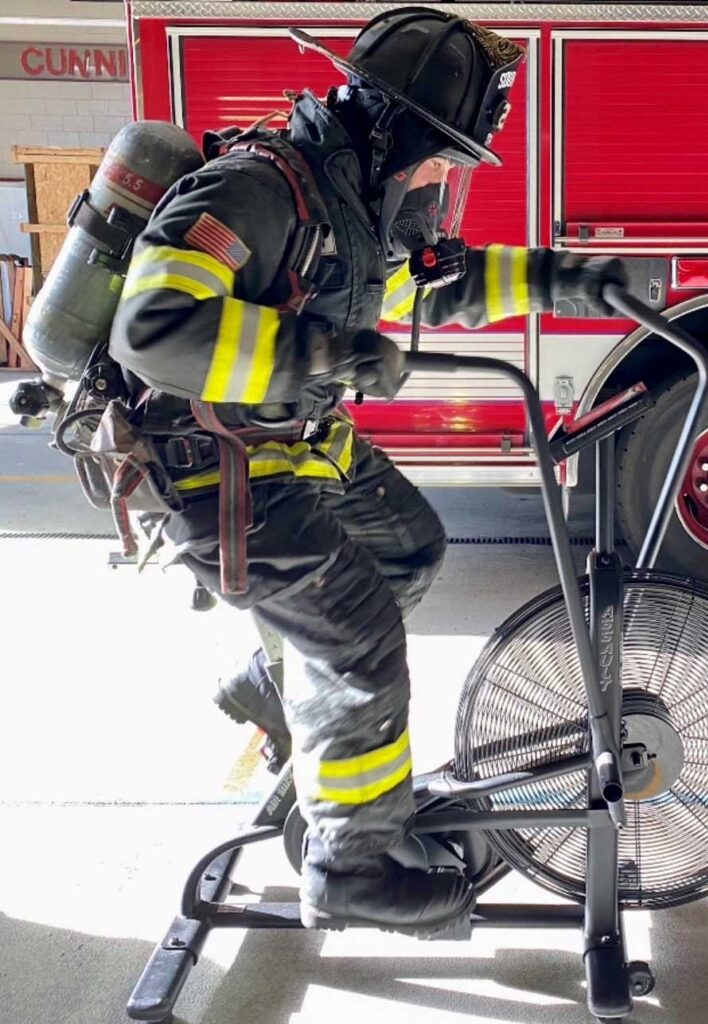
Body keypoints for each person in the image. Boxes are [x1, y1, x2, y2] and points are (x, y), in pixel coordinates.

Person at [109, 7, 627, 933]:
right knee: (357, 639)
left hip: (291, 448)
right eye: (435, 158)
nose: (438, 181)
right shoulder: (255, 193)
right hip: (215, 469)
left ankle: (273, 692)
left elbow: (442, 284)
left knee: (413, 551)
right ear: (388, 130)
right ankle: (351, 867)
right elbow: (153, 331)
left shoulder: (343, 206)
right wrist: (324, 355)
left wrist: (573, 280)